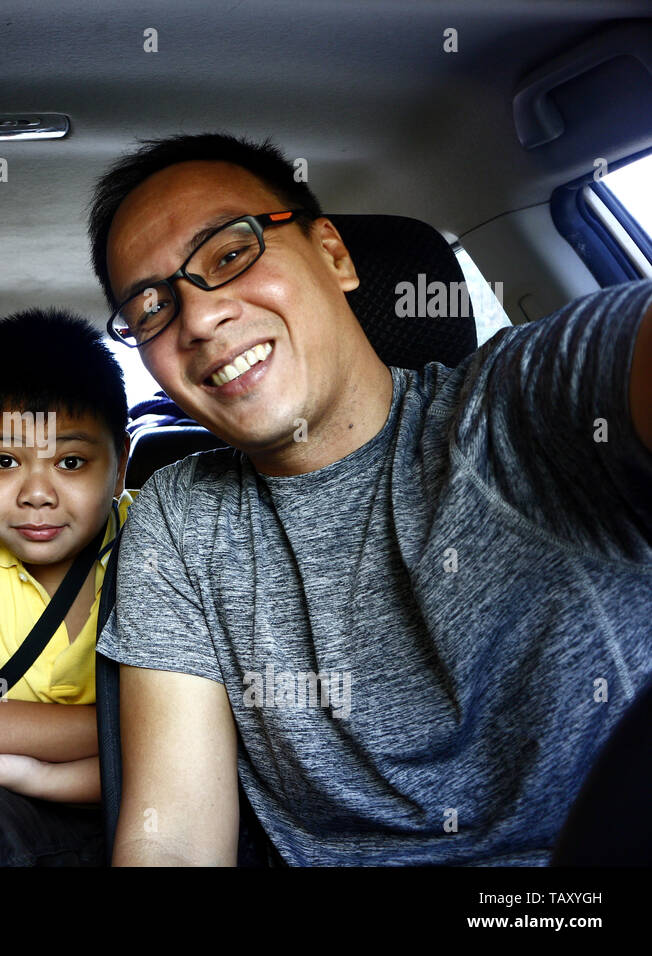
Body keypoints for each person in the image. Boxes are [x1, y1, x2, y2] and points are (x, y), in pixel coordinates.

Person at [88, 133, 652, 865]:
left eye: (230, 255)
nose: (197, 319)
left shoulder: (526, 402)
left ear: (333, 255)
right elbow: (174, 840)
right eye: (153, 306)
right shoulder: (182, 515)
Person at [0, 308, 132, 866]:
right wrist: (133, 724)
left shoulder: (153, 535)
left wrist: (41, 776)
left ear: (121, 465)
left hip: (144, 796)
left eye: (71, 461)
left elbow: (189, 751)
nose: (37, 494)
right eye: (5, 460)